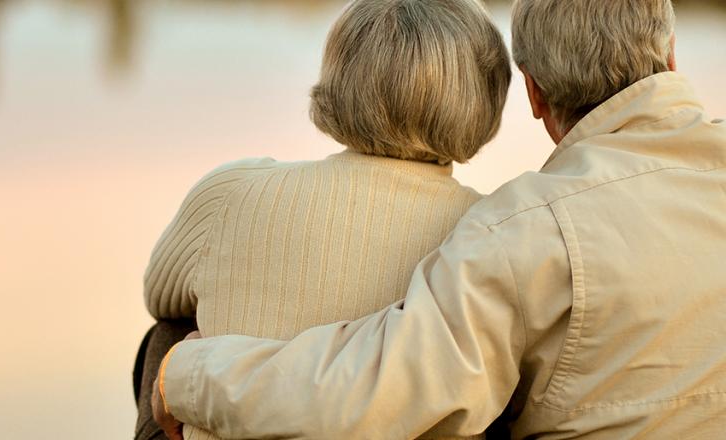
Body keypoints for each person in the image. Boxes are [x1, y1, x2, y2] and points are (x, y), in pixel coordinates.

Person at [152, 0, 726, 438]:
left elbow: (390, 385)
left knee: (165, 339)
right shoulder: (491, 216)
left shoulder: (526, 226)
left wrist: (185, 375)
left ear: (533, 92)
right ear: (671, 55)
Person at [136, 0, 511, 439]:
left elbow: (160, 296)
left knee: (170, 333)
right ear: (486, 97)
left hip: (232, 410)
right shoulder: (495, 226)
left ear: (336, 80)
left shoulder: (231, 191)